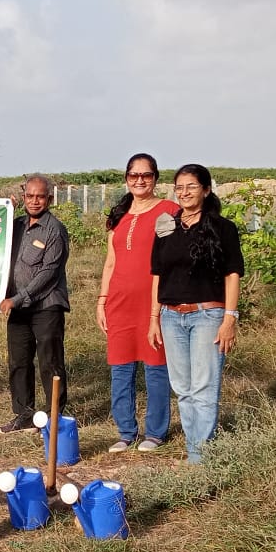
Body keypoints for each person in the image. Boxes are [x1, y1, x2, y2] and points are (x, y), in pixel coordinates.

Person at [148, 163, 244, 464]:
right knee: (183, 389)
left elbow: (232, 274)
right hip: (170, 316)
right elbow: (157, 275)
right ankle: (195, 450)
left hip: (207, 315)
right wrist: (154, 318)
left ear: (206, 189)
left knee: (204, 388)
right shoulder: (166, 225)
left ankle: (200, 459)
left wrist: (229, 318)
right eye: (179, 187)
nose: (184, 192)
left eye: (191, 186)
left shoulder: (223, 228)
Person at [97, 153, 180, 454]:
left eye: (146, 175)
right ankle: (126, 432)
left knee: (156, 367)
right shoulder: (119, 215)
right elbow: (111, 262)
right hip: (119, 302)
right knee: (120, 368)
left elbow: (171, 259)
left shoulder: (168, 210)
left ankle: (155, 432)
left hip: (154, 303)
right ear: (126, 178)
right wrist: (102, 300)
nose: (140, 180)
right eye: (134, 175)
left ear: (155, 178)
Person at [0, 174, 71, 434]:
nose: (35, 201)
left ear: (49, 199)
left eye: (40, 196)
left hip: (46, 305)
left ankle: (54, 419)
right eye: (30, 196)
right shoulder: (15, 225)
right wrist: (6, 212)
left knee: (50, 362)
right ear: (24, 196)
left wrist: (16, 299)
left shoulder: (55, 230)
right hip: (18, 307)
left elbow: (48, 273)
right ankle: (24, 415)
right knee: (18, 361)